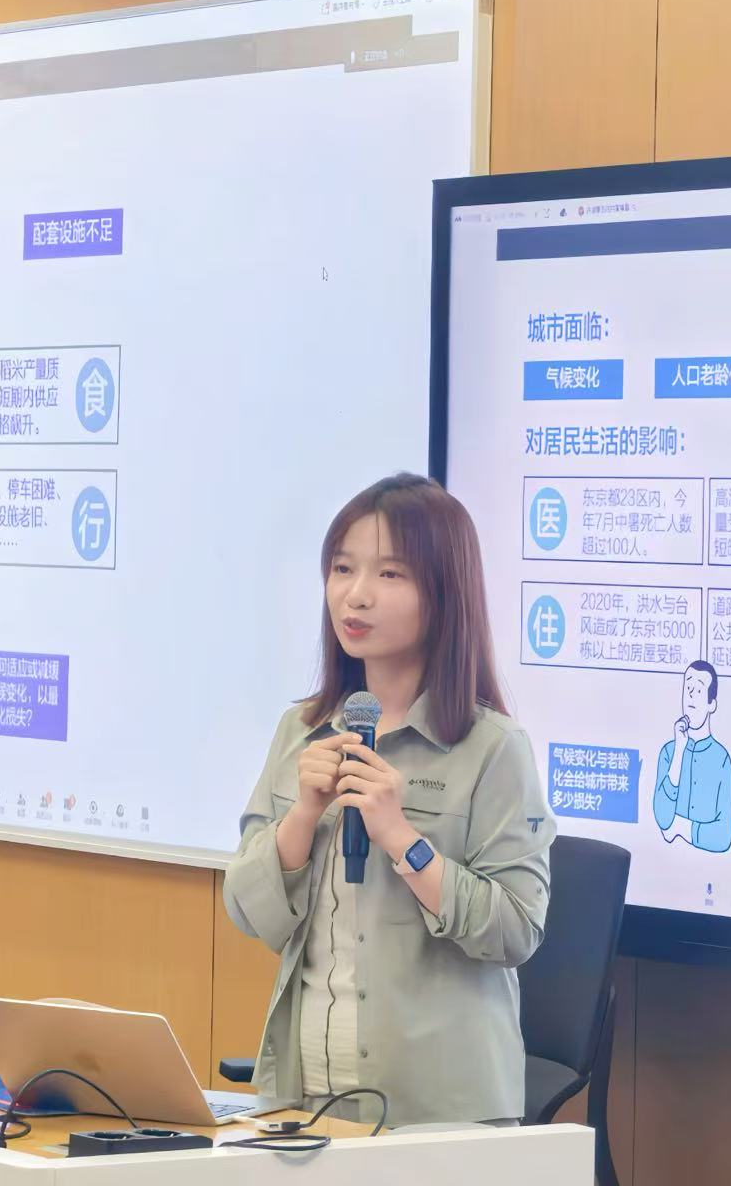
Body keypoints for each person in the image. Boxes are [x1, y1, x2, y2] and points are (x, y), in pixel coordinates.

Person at [224, 473, 554, 1128]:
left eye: (390, 574)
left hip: (440, 1114)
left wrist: (402, 839)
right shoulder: (301, 731)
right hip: (304, 1098)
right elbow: (247, 910)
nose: (357, 594)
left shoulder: (492, 748)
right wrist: (303, 816)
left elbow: (518, 928)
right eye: (342, 568)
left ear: (443, 592)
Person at [652, 660, 731, 853]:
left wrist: (681, 827)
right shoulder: (669, 752)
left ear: (711, 704)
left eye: (698, 690)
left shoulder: (721, 758)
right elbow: (662, 819)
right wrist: (679, 751)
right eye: (688, 688)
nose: (690, 695)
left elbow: (722, 837)